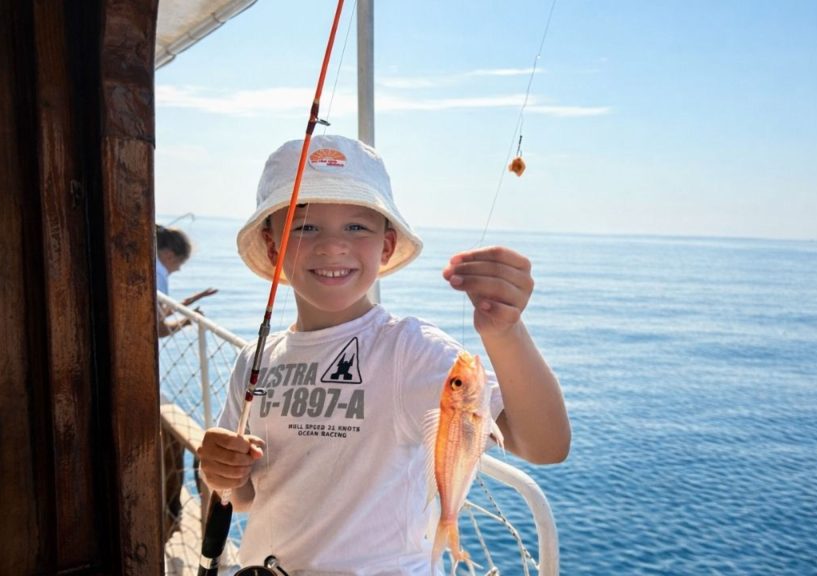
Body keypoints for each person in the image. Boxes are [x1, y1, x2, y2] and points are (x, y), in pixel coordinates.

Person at [197, 135, 570, 574]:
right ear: (273, 244)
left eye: (356, 227)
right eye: (305, 226)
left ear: (386, 246)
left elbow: (544, 444)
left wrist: (506, 333)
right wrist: (219, 471)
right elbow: (243, 499)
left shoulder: (411, 350)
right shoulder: (254, 360)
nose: (332, 245)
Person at [155, 223, 218, 541]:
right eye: (178, 266)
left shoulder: (150, 267)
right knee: (176, 445)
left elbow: (160, 311)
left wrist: (192, 302)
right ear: (169, 254)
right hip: (149, 376)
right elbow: (160, 327)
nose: (175, 271)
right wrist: (189, 319)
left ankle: (171, 519)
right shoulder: (158, 272)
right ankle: (170, 521)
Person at [155, 224, 218, 337]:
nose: (179, 269)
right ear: (169, 255)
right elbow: (157, 329)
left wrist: (193, 299)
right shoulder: (159, 277)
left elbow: (160, 313)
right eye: (180, 262)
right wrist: (187, 321)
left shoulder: (152, 270)